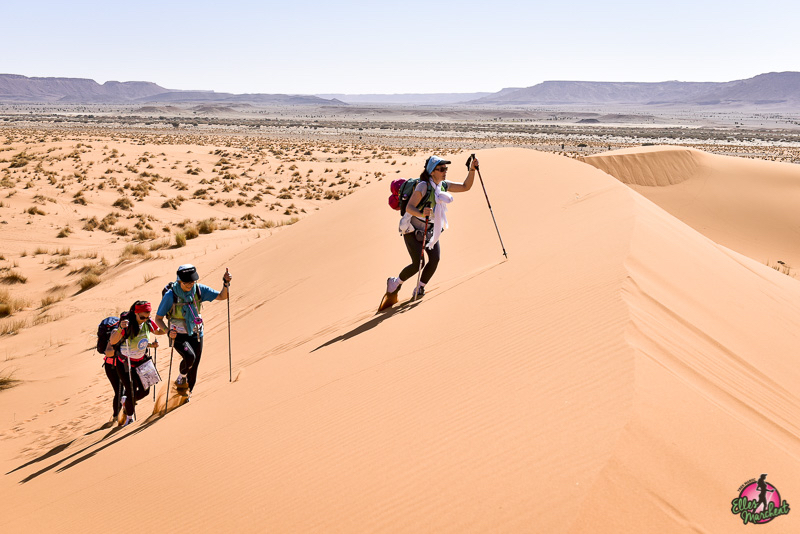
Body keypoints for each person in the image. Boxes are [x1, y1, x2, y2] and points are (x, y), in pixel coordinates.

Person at [386, 154, 478, 298]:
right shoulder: (423, 186)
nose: (444, 171)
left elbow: (466, 187)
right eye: (441, 169)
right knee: (418, 263)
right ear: (432, 172)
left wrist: (472, 170)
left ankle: (420, 287)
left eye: (445, 168)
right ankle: (395, 283)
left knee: (435, 259)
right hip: (412, 229)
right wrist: (422, 213)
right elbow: (410, 207)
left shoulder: (443, 185)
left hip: (430, 229)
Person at [154, 264, 231, 396]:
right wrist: (167, 331)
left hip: (196, 333)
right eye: (187, 282)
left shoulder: (199, 290)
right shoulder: (170, 295)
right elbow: (158, 319)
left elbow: (222, 296)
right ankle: (181, 377)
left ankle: (188, 392)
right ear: (179, 281)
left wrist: (225, 283)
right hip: (177, 335)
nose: (190, 284)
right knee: (190, 357)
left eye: (193, 281)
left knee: (194, 366)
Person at [107, 300, 166, 426]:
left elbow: (158, 331)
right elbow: (113, 341)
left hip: (142, 361)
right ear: (135, 313)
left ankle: (126, 401)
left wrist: (167, 329)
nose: (145, 319)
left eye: (147, 316)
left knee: (145, 391)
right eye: (142, 317)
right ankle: (129, 418)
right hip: (125, 363)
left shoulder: (148, 322)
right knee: (131, 390)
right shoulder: (127, 325)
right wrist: (120, 328)